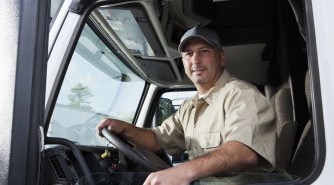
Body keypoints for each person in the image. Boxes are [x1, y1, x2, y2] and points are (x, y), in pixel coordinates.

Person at [96, 26, 277, 185]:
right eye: (189, 54)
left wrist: (182, 172)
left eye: (204, 51)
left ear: (221, 58)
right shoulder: (189, 107)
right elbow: (157, 140)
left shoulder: (241, 94)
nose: (196, 60)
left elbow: (243, 152)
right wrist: (124, 129)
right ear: (183, 62)